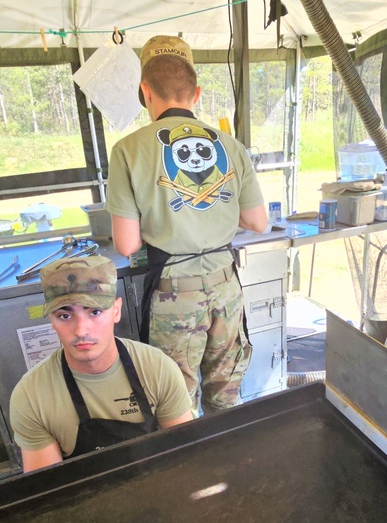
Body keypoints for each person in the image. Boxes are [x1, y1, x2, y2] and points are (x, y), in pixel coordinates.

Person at [106, 35, 268, 416]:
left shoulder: (128, 150)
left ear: (145, 91)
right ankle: (229, 467)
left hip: (175, 298)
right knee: (225, 399)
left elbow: (126, 245)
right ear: (195, 94)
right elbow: (258, 221)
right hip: (226, 290)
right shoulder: (232, 145)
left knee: (177, 405)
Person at [9, 255, 193, 472]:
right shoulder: (31, 396)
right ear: (51, 321)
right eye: (65, 316)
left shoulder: (158, 368)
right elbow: (48, 489)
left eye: (95, 312)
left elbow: (185, 458)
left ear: (116, 310)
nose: (81, 331)